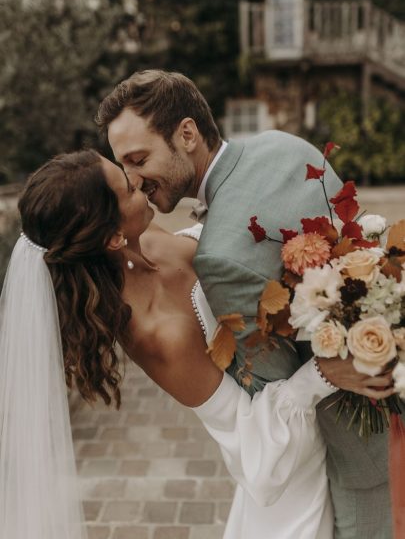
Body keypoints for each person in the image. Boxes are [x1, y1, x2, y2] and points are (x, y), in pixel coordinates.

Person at [0, 150, 390, 539]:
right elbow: (246, 435)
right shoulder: (157, 334)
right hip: (291, 474)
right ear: (113, 236)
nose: (136, 180)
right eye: (125, 188)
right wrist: (322, 374)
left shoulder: (143, 236)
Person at [97, 69, 398, 539]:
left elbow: (274, 388)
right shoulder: (286, 145)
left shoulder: (218, 257)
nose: (135, 180)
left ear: (188, 133)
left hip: (357, 457)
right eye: (124, 167)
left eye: (139, 159)